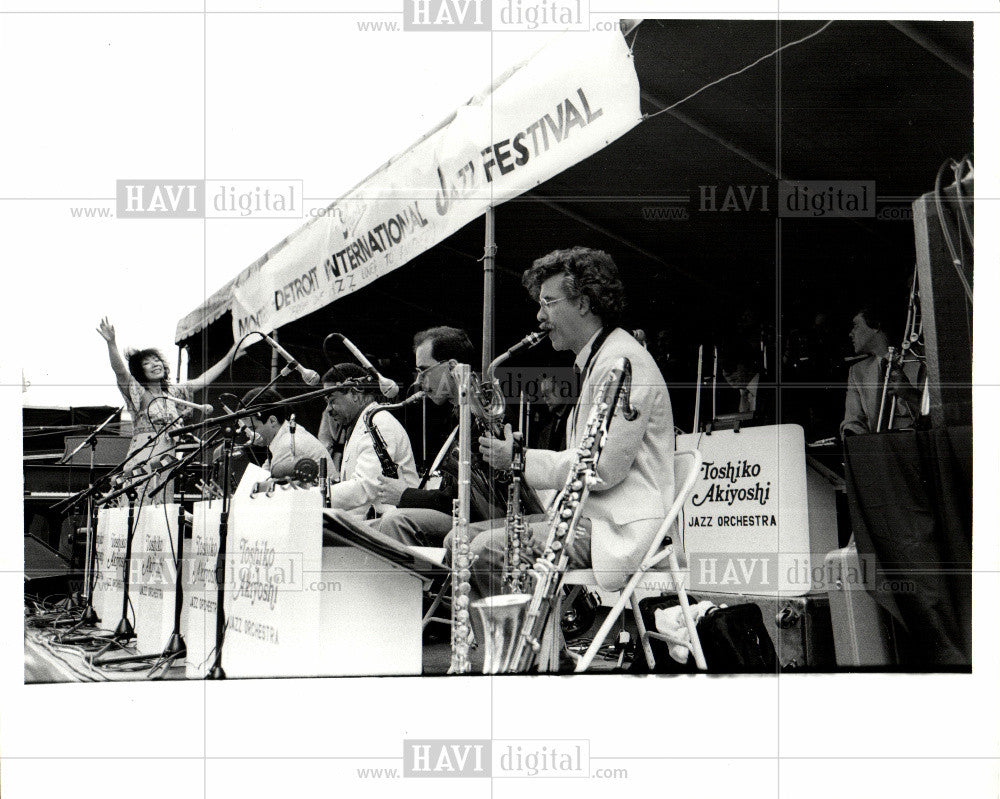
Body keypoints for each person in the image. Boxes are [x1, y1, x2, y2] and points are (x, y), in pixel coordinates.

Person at [477, 246, 676, 597]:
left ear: (583, 303)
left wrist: (520, 459)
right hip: (593, 519)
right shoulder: (600, 359)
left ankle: (510, 651)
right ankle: (545, 652)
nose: (539, 316)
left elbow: (601, 468)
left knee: (484, 550)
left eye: (548, 302)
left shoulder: (623, 361)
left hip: (615, 529)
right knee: (458, 540)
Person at [373, 326, 501, 545]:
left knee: (395, 521)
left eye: (424, 370)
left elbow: (469, 499)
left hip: (482, 521)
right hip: (466, 518)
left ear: (452, 367)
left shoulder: (480, 414)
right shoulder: (458, 413)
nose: (418, 381)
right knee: (370, 529)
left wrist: (406, 496)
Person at [97, 317, 243, 471]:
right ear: (140, 371)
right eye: (147, 363)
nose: (154, 364)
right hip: (142, 459)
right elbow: (120, 372)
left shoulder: (172, 392)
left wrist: (229, 357)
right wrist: (111, 343)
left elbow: (201, 380)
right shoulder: (139, 393)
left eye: (156, 360)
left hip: (166, 460)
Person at [319, 364, 418, 517]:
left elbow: (365, 487)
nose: (328, 409)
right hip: (373, 521)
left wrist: (313, 496)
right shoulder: (362, 423)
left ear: (355, 394)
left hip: (391, 525)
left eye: (332, 401)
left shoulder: (378, 422)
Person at [840, 308, 923, 438]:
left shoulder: (920, 361)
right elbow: (853, 420)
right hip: (881, 450)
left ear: (876, 326)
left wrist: (910, 394)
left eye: (856, 326)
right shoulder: (857, 372)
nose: (851, 333)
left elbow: (942, 413)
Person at [238, 387, 334, 481]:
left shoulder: (287, 444)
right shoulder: (286, 434)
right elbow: (263, 475)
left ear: (272, 421)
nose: (250, 435)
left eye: (253, 428)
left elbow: (269, 489)